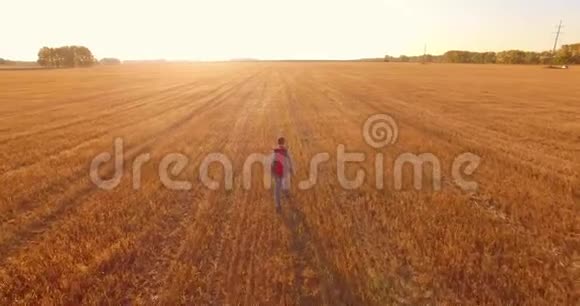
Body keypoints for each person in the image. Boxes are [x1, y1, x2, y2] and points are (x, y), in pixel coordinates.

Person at [271, 137, 293, 212]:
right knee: (286, 182)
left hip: (277, 172)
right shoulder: (285, 151)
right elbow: (290, 160)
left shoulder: (275, 151)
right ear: (284, 142)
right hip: (284, 171)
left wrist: (272, 172)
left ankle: (278, 205)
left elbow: (272, 162)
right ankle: (286, 192)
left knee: (277, 189)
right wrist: (291, 169)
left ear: (278, 143)